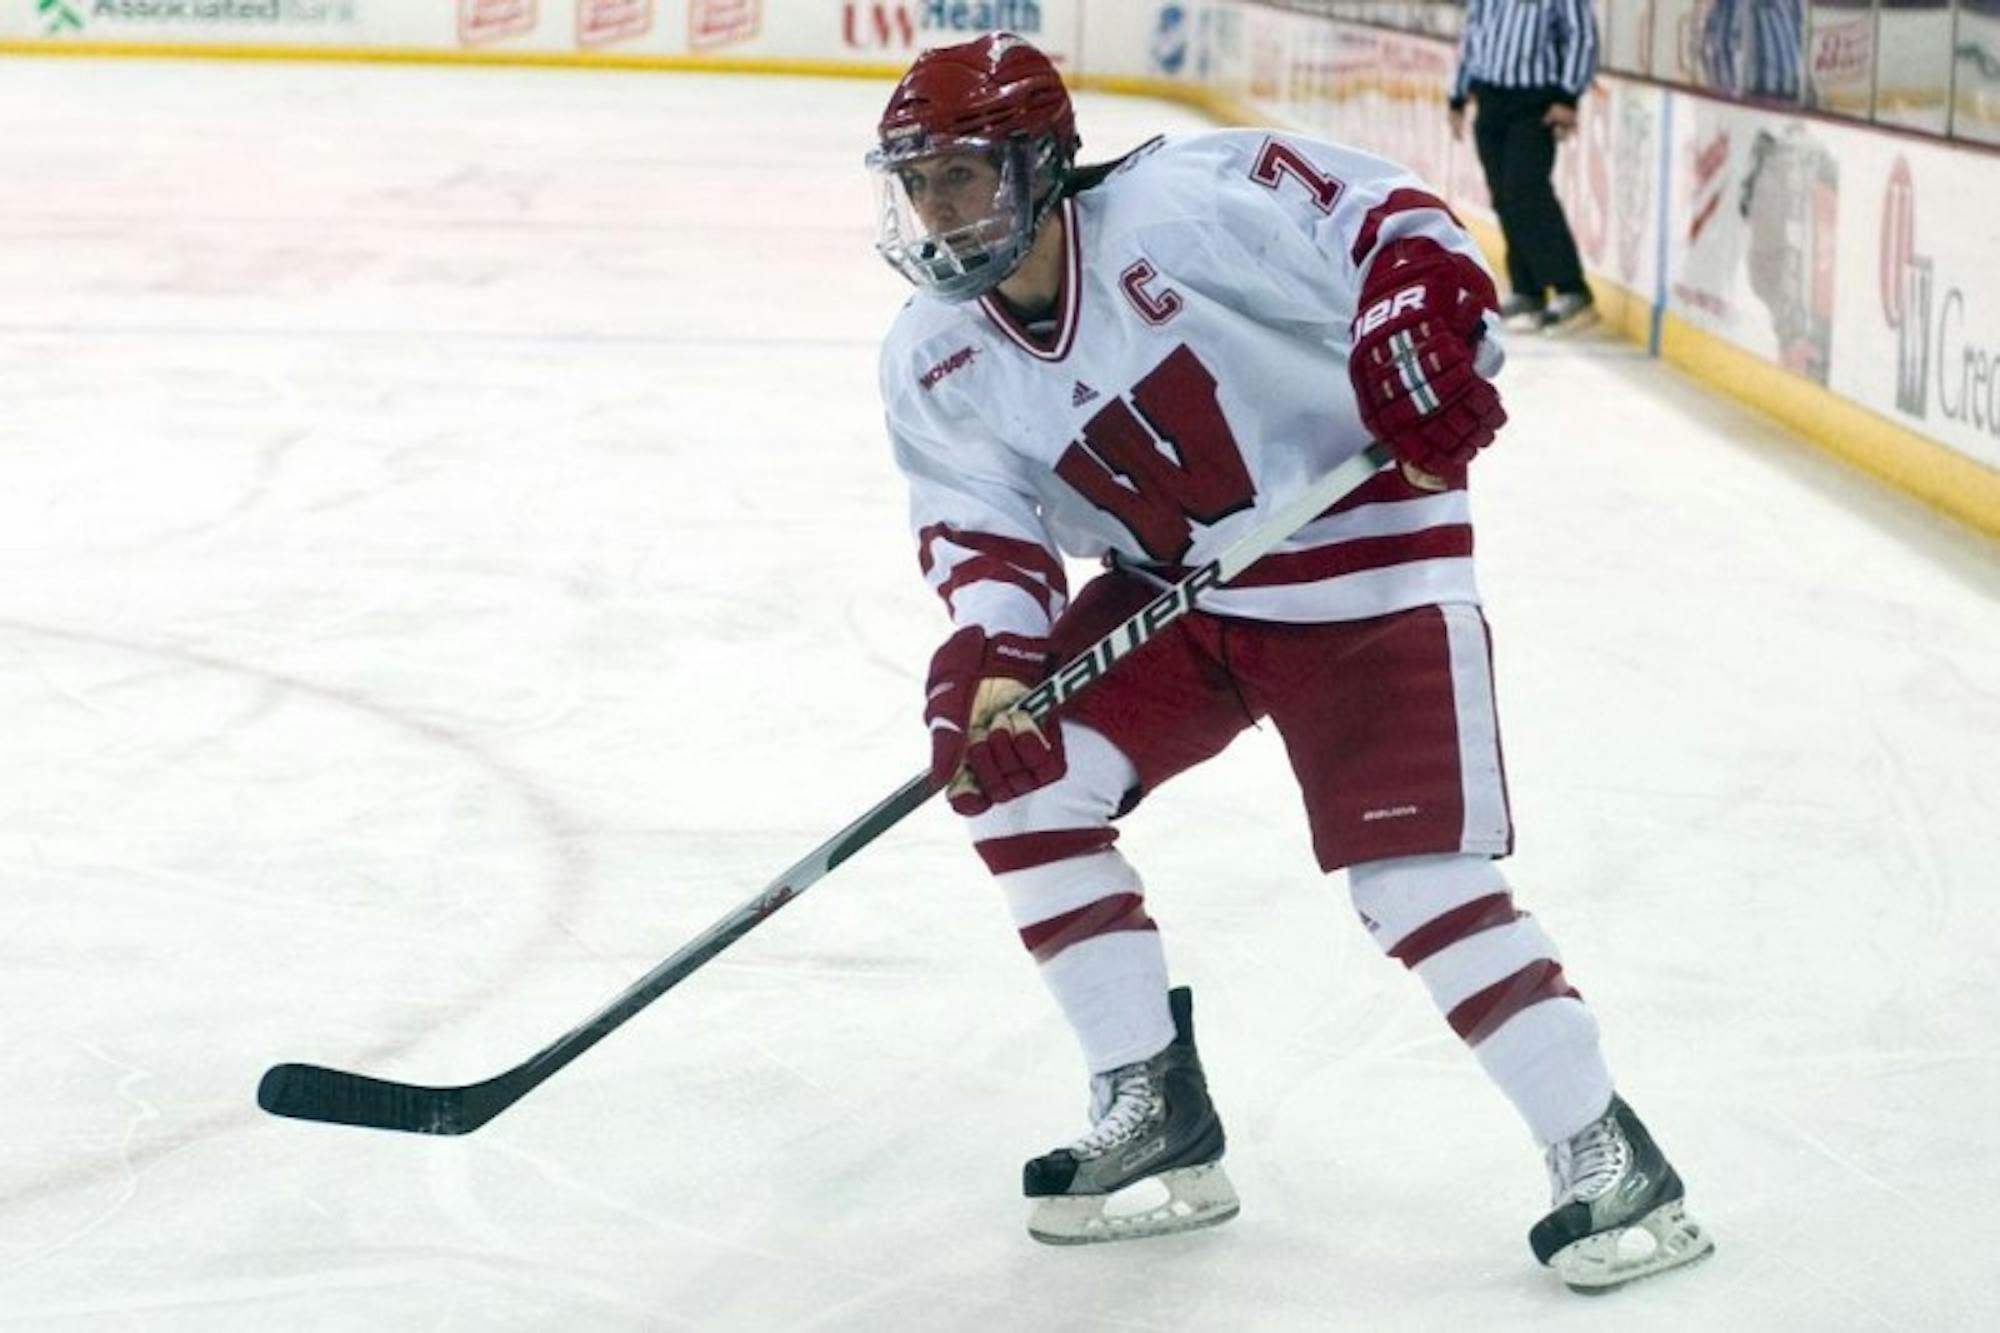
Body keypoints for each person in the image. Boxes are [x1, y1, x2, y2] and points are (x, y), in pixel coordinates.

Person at [866, 31, 1711, 1290]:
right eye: (917, 182)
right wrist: (991, 652)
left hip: (1358, 568)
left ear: (1044, 164)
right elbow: (980, 528)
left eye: (965, 176)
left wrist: (1419, 317)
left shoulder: (1187, 204)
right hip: (1179, 600)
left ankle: (1601, 1147)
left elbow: (1393, 225)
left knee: (1411, 882)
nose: (938, 211)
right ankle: (1148, 1098)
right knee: (1019, 779)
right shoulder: (931, 356)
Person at [1447, 0, 1601, 334]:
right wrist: (1457, 95)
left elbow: (1581, 36)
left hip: (1534, 102)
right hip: (1490, 99)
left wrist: (1567, 96)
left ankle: (1571, 289)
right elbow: (1472, 35)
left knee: (1526, 189)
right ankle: (1528, 290)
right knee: (1503, 195)